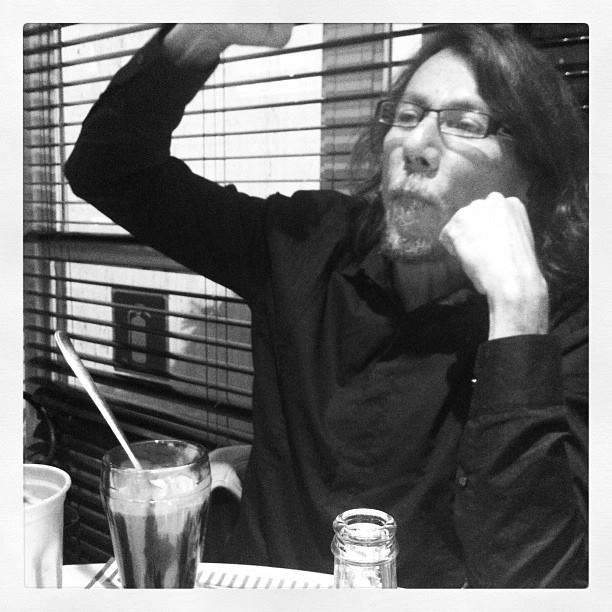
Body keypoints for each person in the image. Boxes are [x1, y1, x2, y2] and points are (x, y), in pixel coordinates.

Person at [64, 23, 588, 588]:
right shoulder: (306, 242)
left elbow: (538, 583)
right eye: (406, 115)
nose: (415, 146)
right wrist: (197, 39)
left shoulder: (562, 320)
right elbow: (109, 169)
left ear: (532, 177)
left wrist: (517, 325)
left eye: (465, 123)